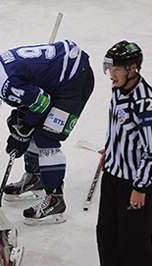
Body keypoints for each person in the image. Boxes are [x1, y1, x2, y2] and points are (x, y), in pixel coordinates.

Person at [0, 39, 95, 225]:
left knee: (46, 137)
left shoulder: (6, 85)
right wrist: (23, 124)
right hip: (66, 67)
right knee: (28, 127)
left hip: (75, 79)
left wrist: (22, 132)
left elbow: (43, 103)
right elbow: (32, 95)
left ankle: (55, 199)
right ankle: (35, 177)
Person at [96, 41, 152, 266]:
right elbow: (117, 124)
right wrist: (110, 149)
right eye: (110, 68)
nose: (112, 74)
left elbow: (151, 150)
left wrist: (140, 188)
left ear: (133, 68)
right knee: (106, 235)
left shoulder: (144, 103)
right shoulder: (118, 89)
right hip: (111, 177)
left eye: (117, 69)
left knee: (133, 243)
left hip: (134, 183)